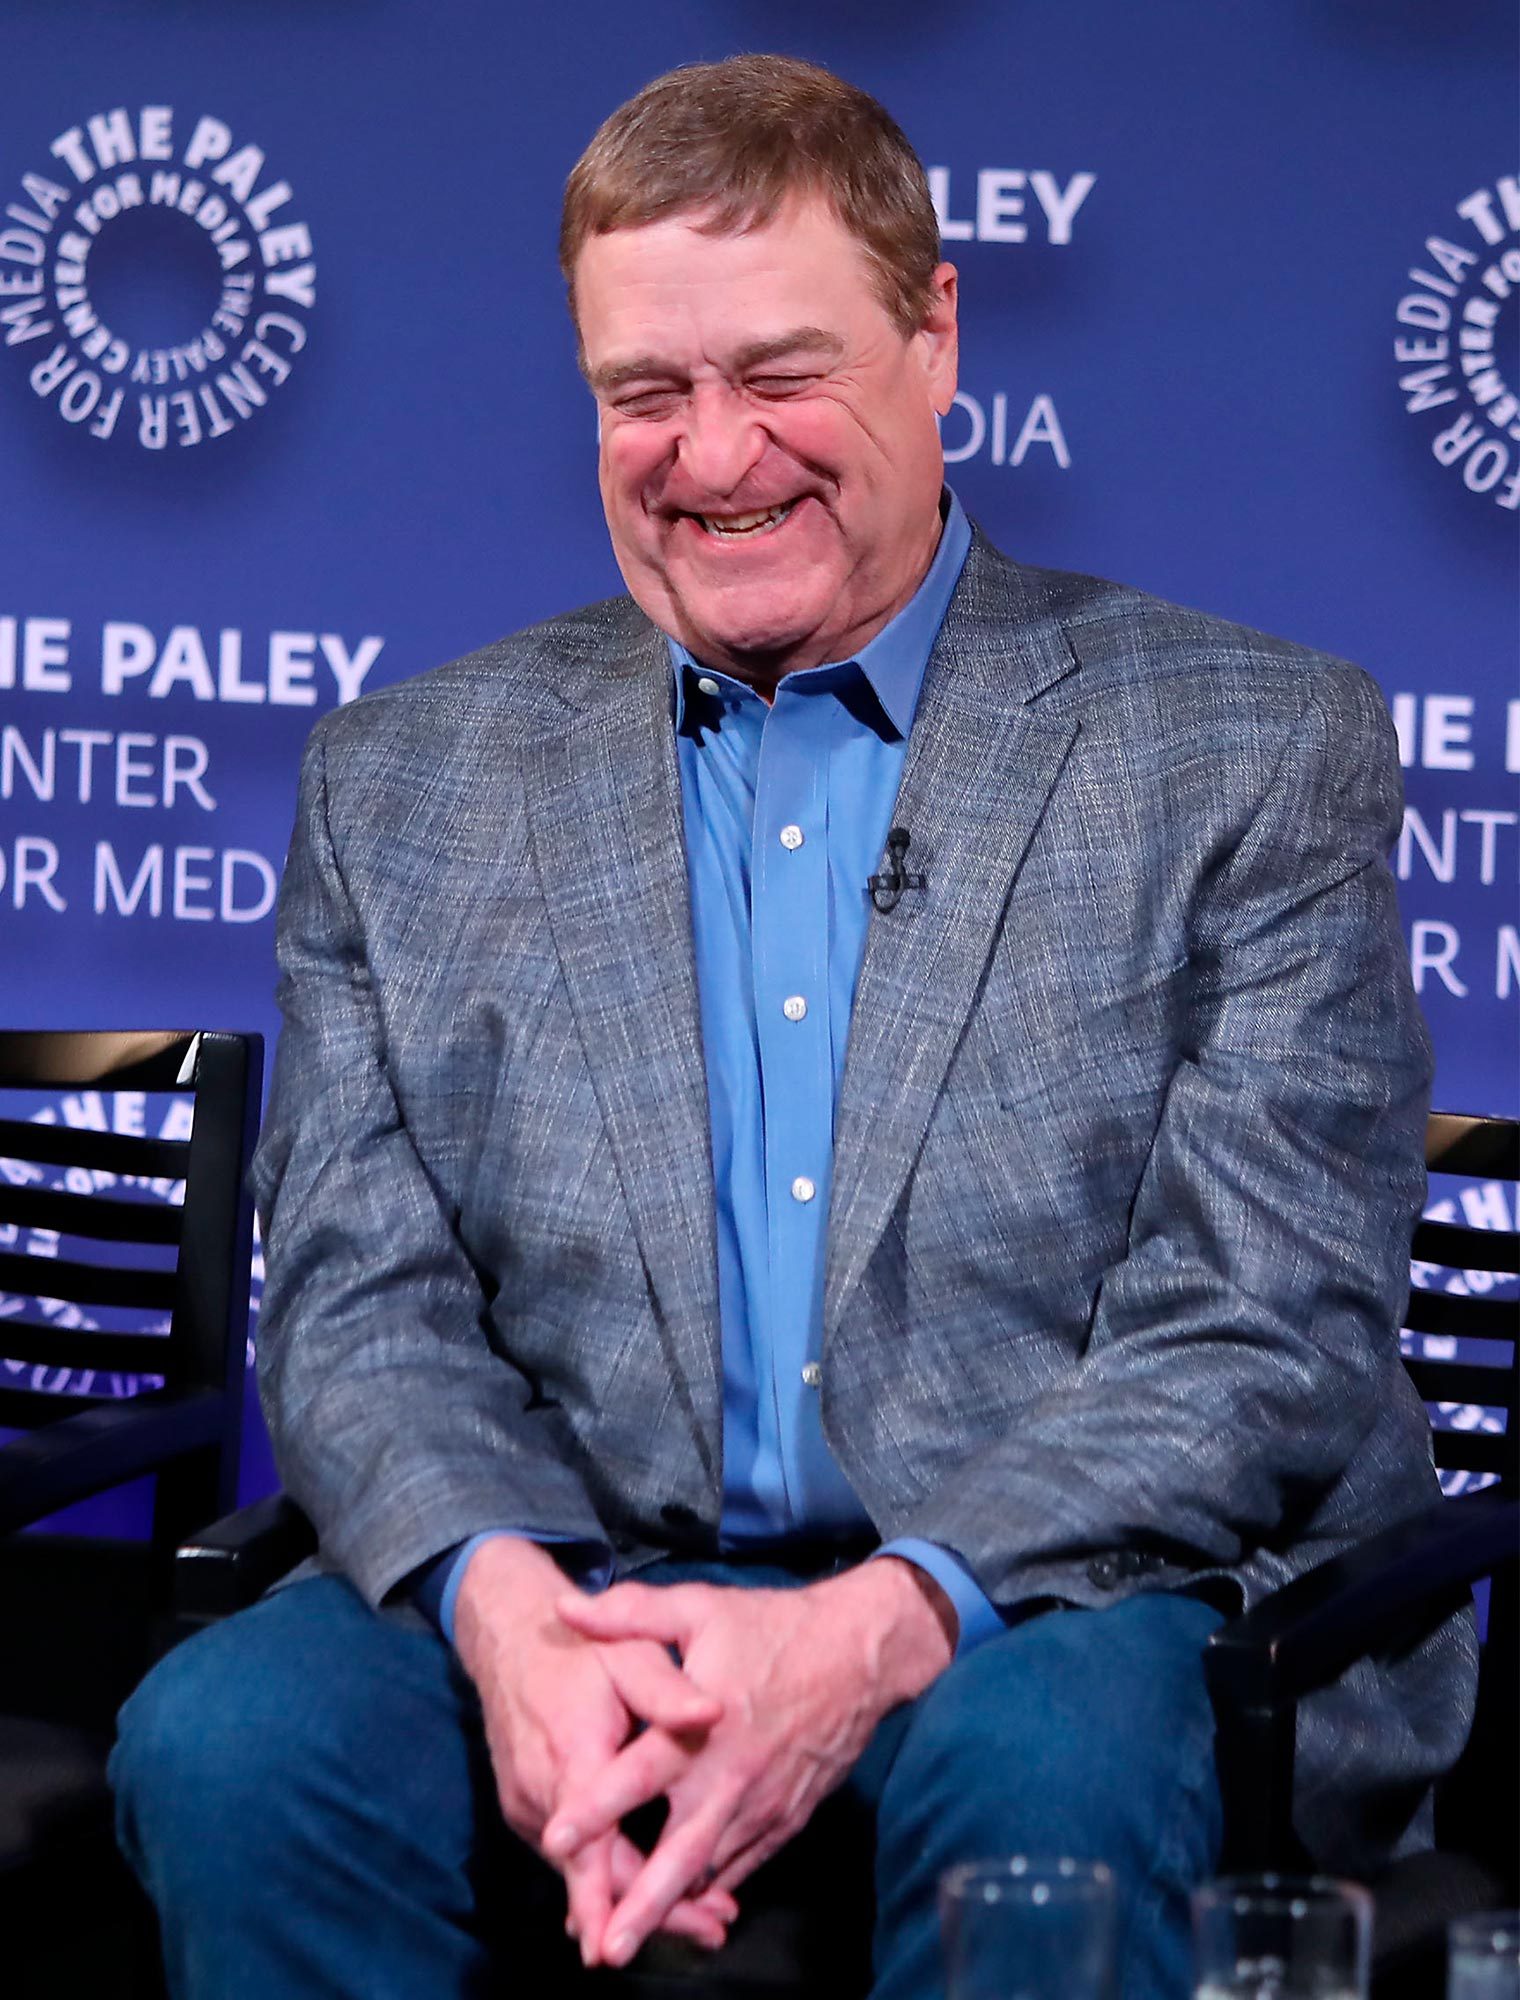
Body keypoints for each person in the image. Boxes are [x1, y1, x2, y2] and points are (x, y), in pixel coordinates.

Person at [111, 54, 1476, 2000]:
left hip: (1074, 1596)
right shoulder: (399, 781)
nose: (713, 453)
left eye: (779, 373)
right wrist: (505, 1616)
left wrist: (870, 1626)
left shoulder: (1247, 749)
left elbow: (1257, 1328)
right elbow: (356, 1298)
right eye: (641, 395)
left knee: (1046, 1765)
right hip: (594, 1574)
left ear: (936, 337)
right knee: (233, 1739)